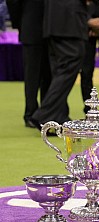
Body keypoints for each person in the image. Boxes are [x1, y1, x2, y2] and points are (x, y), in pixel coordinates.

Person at [29, 0, 88, 130]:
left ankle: (57, 117)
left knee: (59, 69)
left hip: (52, 21)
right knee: (68, 67)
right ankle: (44, 114)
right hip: (69, 22)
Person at [6, 0, 51, 128]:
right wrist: (20, 23)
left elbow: (14, 3)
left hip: (36, 27)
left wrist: (20, 23)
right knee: (37, 75)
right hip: (41, 28)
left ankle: (38, 112)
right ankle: (34, 113)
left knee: (39, 75)